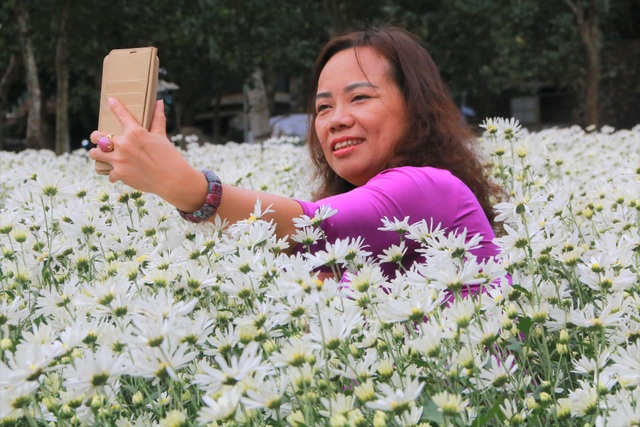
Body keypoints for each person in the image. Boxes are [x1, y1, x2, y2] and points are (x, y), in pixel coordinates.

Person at [89, 26, 502, 279]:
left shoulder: (427, 186)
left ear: (416, 108)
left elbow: (312, 226)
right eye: (323, 107)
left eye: (359, 98)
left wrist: (185, 187)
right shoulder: (349, 235)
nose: (335, 120)